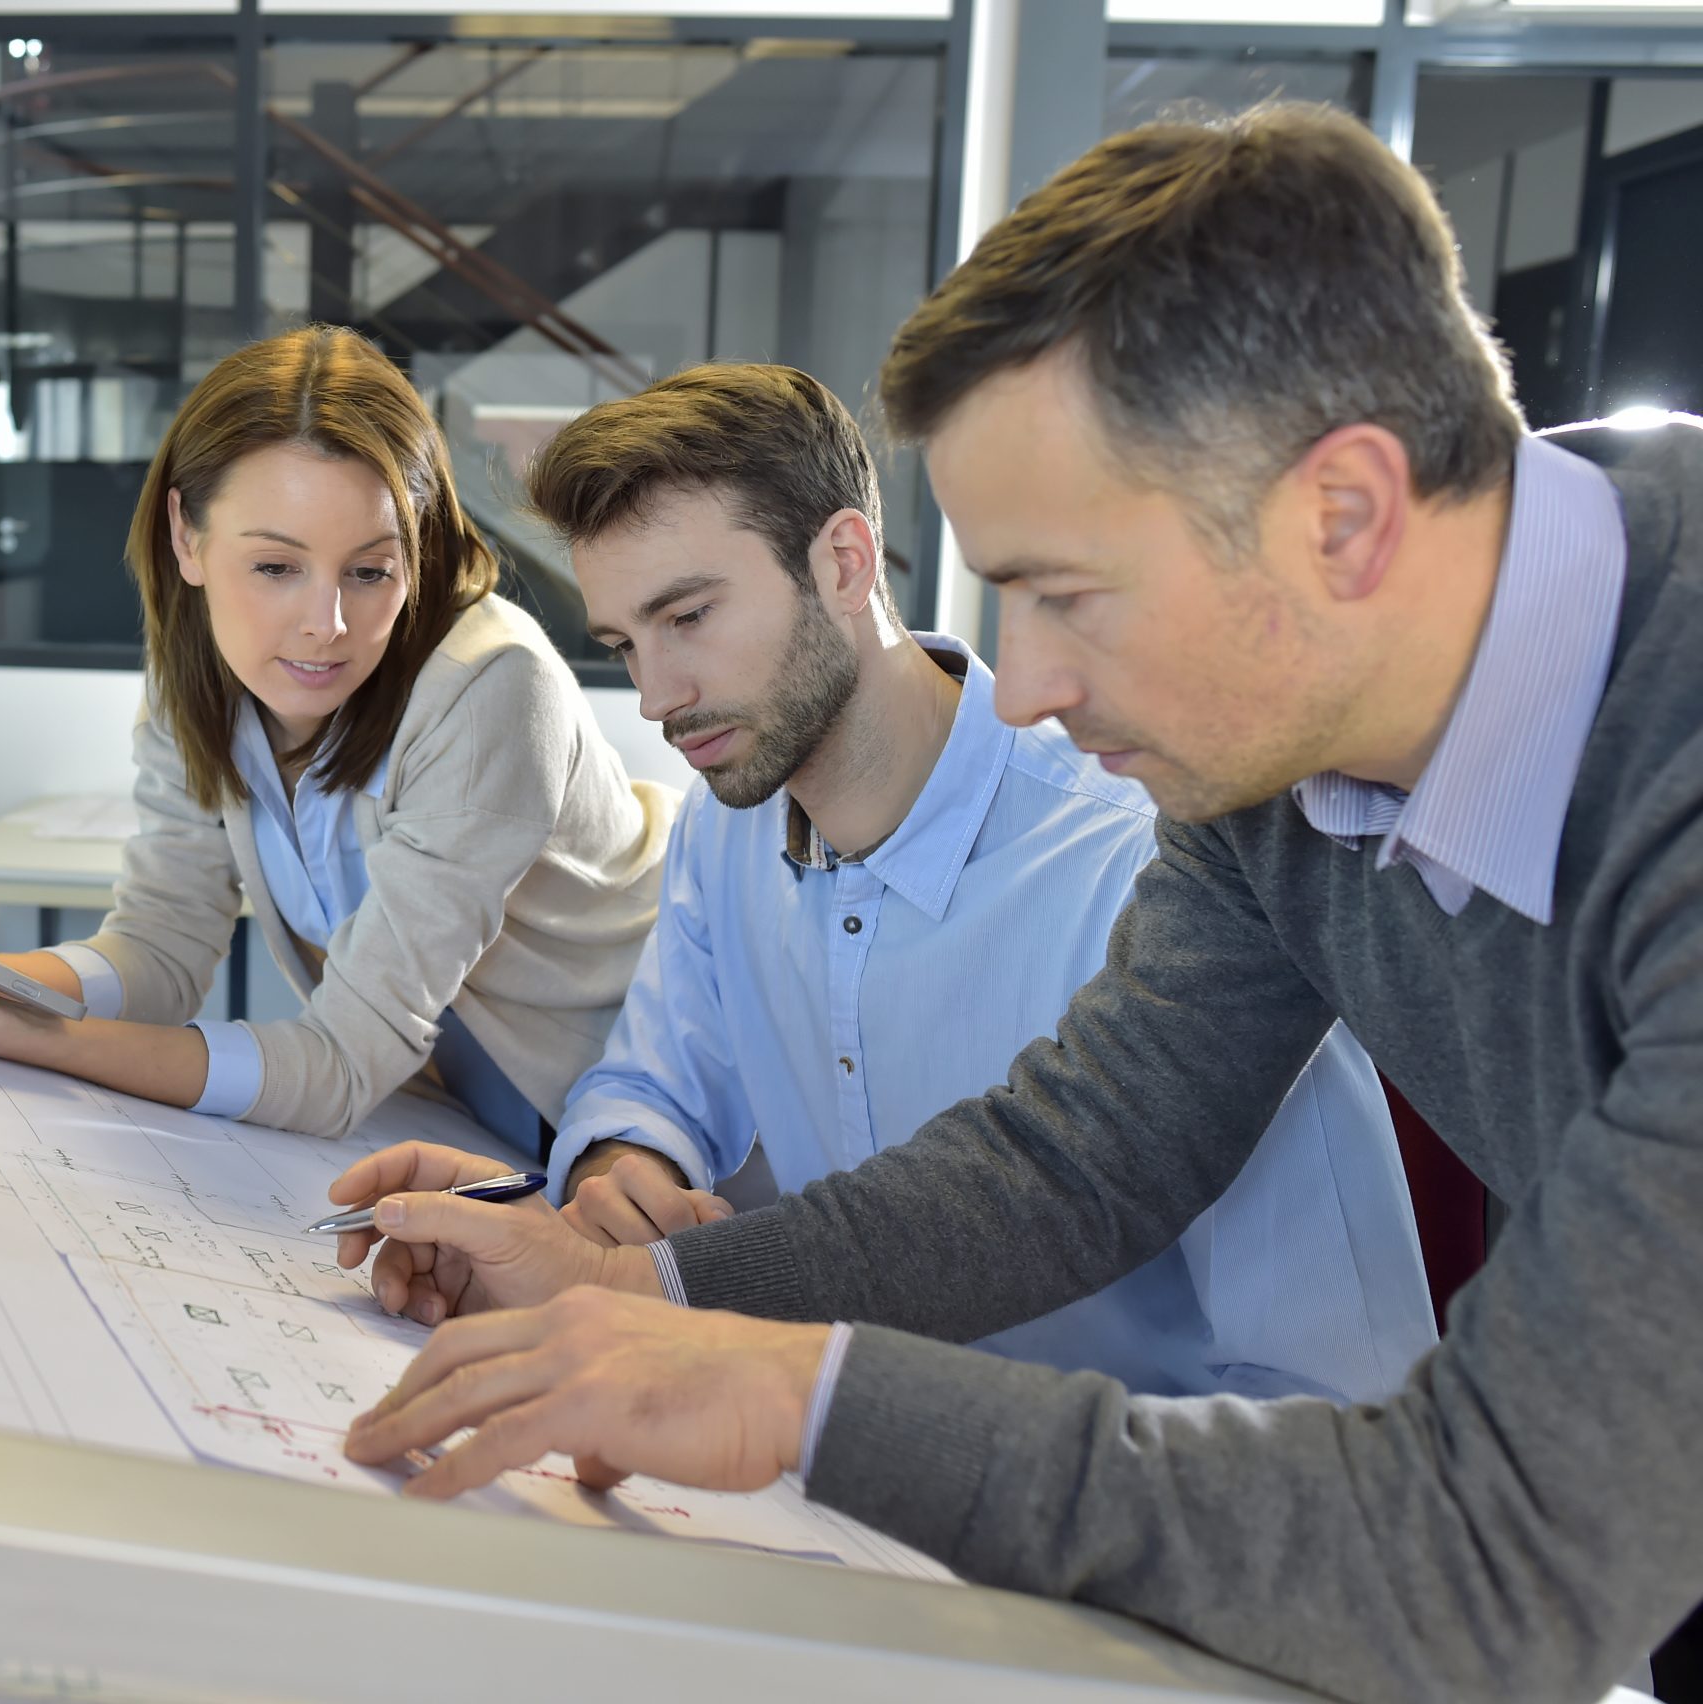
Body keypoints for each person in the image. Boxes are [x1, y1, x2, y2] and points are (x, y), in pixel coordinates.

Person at [323, 102, 1703, 1704]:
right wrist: (644, 1293)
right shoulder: (1275, 765)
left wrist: (814, 1405)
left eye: (1067, 594)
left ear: (1343, 516)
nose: (1027, 689)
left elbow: (1490, 1558)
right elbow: (1077, 1158)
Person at [510, 361, 1431, 1405]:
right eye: (626, 644)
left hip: (1102, 1536)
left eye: (688, 619)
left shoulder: (1151, 877)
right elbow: (649, 1088)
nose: (656, 694)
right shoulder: (724, 834)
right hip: (821, 1469)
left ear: (845, 564)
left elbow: (1336, 1398)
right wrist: (623, 1171)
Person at [0, 325, 675, 1144]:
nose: (329, 624)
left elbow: (337, 1067)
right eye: (275, 565)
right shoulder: (201, 680)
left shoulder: (488, 689)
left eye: (370, 570)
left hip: (637, 1113)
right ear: (186, 536)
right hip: (461, 1103)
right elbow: (154, 955)